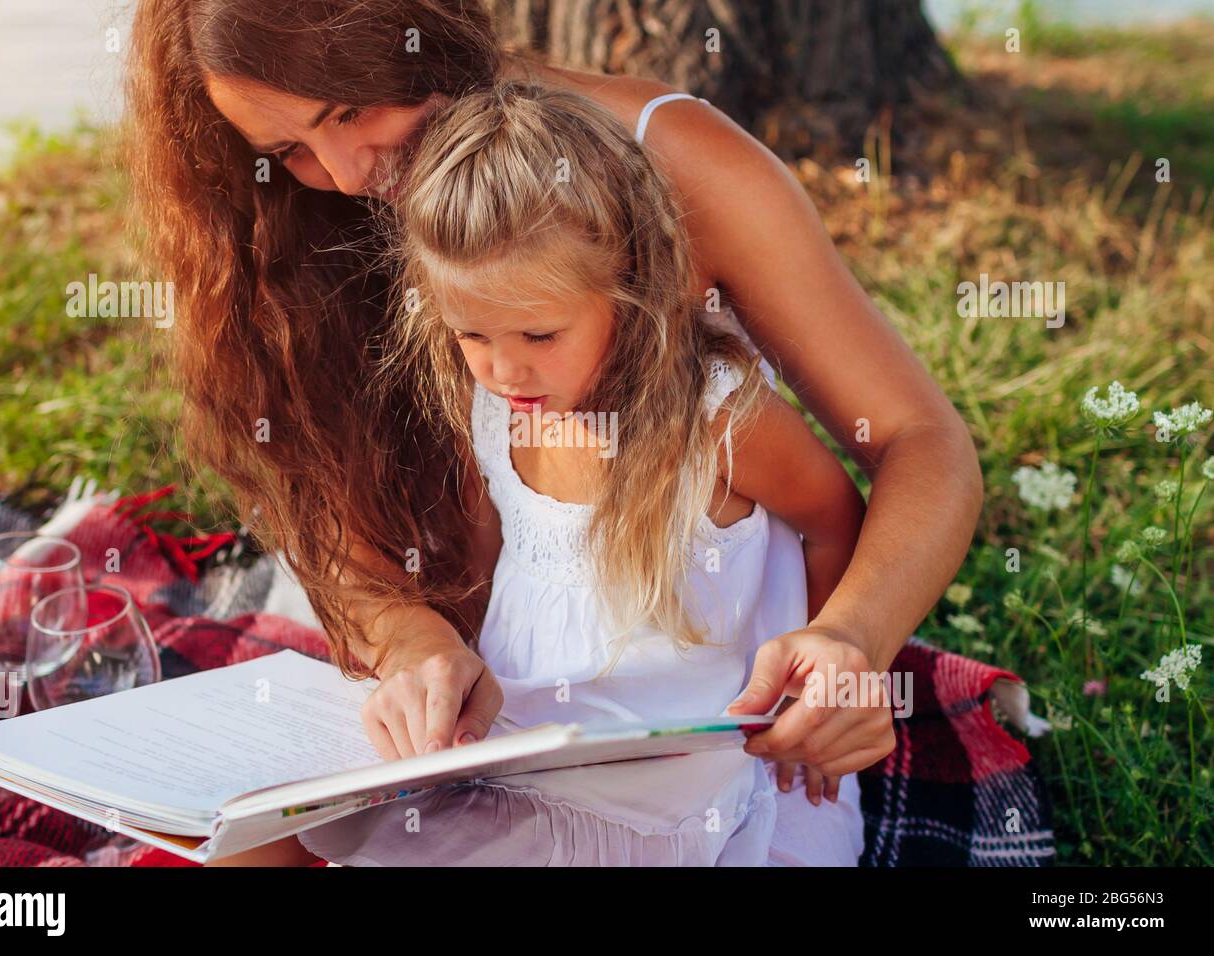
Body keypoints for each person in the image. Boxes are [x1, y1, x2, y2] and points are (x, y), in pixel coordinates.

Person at [130, 0, 981, 862]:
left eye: (348, 110)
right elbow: (344, 503)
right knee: (220, 833)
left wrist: (849, 637)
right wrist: (407, 636)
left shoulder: (675, 167)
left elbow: (921, 443)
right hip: (496, 714)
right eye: (288, 153)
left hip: (698, 756)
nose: (350, 175)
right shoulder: (309, 228)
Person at [285, 80, 865, 865]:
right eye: (471, 334)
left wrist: (816, 674)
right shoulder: (494, 405)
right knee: (269, 830)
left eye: (540, 331)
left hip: (670, 786)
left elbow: (834, 518)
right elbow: (496, 561)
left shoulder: (717, 421)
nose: (504, 367)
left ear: (626, 288)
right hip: (521, 758)